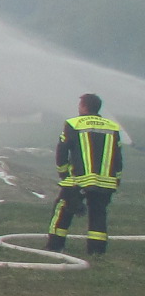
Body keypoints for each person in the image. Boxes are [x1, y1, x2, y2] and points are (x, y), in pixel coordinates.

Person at [46, 94, 123, 258]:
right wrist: (116, 179)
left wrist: (63, 173)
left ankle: (55, 246)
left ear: (85, 107)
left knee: (63, 208)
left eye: (80, 104)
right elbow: (118, 157)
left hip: (78, 180)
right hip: (105, 181)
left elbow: (62, 150)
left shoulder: (73, 124)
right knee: (98, 213)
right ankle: (97, 251)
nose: (78, 107)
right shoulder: (112, 127)